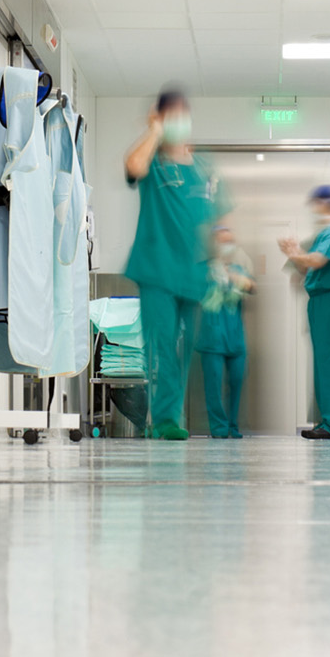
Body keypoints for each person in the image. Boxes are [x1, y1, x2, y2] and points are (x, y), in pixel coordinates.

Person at [124, 89, 218, 440]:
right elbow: (133, 166)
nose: (181, 120)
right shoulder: (152, 162)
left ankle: (168, 415)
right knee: (162, 344)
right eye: (172, 115)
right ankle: (163, 419)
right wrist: (154, 133)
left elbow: (212, 220)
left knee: (183, 351)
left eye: (183, 113)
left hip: (193, 276)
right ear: (160, 118)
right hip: (157, 272)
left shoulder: (202, 169)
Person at [278, 186, 330, 440]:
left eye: (317, 204)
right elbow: (307, 267)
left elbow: (317, 261)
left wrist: (294, 252)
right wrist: (296, 256)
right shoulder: (329, 231)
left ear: (327, 203)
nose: (314, 209)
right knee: (324, 363)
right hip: (322, 300)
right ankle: (327, 422)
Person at [195, 221, 254, 438]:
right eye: (222, 241)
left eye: (230, 241)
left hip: (236, 340)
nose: (227, 245)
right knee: (214, 388)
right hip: (212, 339)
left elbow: (252, 286)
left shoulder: (239, 269)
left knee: (237, 383)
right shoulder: (202, 270)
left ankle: (233, 427)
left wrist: (236, 278)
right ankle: (219, 429)